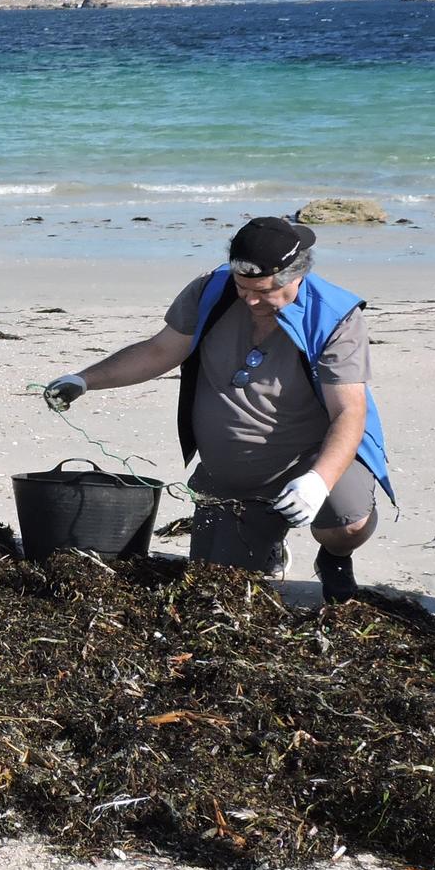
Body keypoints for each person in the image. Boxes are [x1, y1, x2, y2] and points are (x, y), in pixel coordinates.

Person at [42, 216, 394, 603]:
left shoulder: (334, 317)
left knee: (348, 524)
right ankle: (267, 544)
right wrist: (85, 379)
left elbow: (349, 413)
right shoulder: (210, 292)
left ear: (299, 275)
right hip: (230, 478)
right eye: (244, 289)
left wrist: (319, 481)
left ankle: (335, 559)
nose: (252, 301)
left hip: (309, 457)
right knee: (219, 590)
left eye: (265, 291)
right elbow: (159, 352)